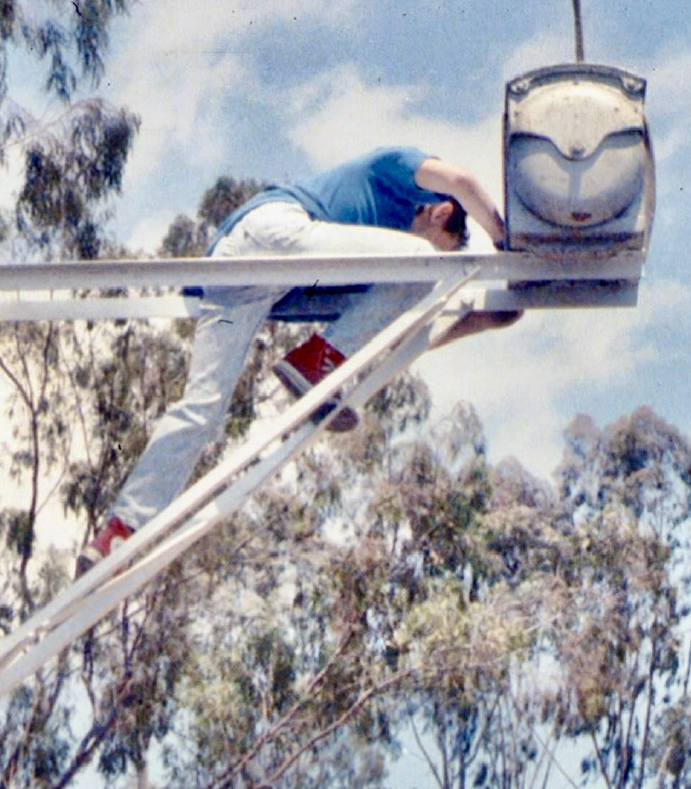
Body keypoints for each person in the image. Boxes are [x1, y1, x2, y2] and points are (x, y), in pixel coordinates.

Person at [84, 146, 519, 565]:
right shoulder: (396, 168)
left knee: (203, 407)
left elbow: (411, 331)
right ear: (439, 212)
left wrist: (495, 316)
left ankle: (120, 529)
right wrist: (507, 245)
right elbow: (460, 181)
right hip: (274, 230)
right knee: (425, 265)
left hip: (240, 279)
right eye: (440, 238)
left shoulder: (367, 269)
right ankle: (316, 361)